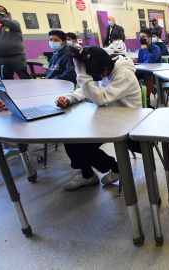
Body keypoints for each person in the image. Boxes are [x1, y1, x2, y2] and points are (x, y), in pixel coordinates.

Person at [55, 46, 141, 191]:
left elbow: (101, 98)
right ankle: (87, 175)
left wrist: (81, 73)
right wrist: (68, 98)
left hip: (128, 123)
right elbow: (86, 89)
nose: (96, 80)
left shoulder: (124, 74)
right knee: (70, 137)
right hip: (108, 120)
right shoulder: (102, 69)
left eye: (95, 76)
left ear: (106, 68)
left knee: (81, 145)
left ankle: (116, 168)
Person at [0, 5, 30, 79]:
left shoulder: (14, 23)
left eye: (0, 11)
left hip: (17, 57)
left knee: (25, 78)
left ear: (7, 14)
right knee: (6, 80)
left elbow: (13, 25)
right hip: (0, 58)